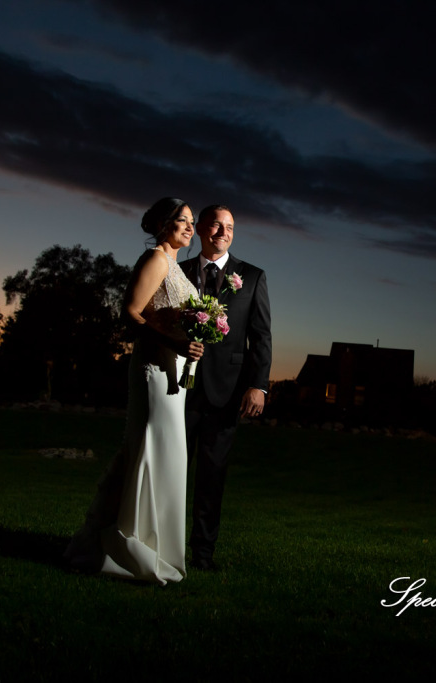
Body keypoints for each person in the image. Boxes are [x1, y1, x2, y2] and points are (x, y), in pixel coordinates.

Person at [64, 197, 203, 585]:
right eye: (183, 221)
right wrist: (175, 344)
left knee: (166, 453)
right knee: (148, 449)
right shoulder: (156, 259)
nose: (190, 228)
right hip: (154, 371)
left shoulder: (173, 264)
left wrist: (196, 338)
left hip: (176, 375)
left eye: (192, 222)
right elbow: (131, 311)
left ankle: (153, 545)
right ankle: (127, 545)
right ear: (162, 224)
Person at [181, 205, 272, 571]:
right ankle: (162, 545)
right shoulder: (179, 271)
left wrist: (259, 386)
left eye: (230, 227)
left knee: (212, 477)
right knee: (171, 470)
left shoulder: (251, 276)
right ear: (201, 228)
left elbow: (261, 336)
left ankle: (202, 555)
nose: (223, 232)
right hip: (179, 389)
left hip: (228, 391)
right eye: (216, 225)